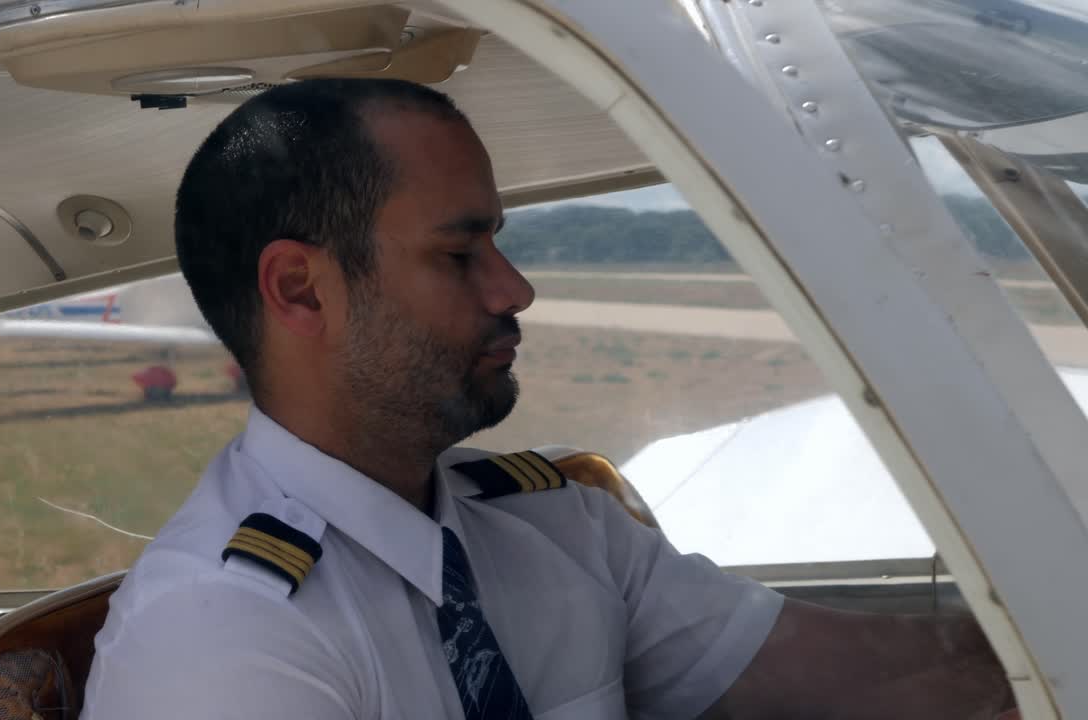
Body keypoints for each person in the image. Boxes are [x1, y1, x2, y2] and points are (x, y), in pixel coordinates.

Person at [80, 78, 1019, 720]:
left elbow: (857, 679)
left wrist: (1035, 657)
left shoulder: (561, 528)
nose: (514, 289)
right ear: (300, 291)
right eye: (460, 254)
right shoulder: (226, 634)